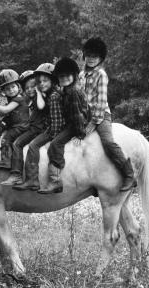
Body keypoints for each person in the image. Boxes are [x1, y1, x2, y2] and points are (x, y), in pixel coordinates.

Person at [79, 37, 136, 191]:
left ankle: (128, 174)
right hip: (84, 115)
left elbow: (101, 101)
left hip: (101, 115)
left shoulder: (101, 75)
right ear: (85, 56)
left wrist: (93, 123)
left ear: (100, 59)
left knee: (108, 142)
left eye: (95, 57)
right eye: (89, 56)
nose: (91, 59)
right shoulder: (82, 75)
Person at [38, 57, 89, 194]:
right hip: (72, 122)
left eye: (67, 76)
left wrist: (80, 134)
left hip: (76, 124)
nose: (64, 79)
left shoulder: (72, 92)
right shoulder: (67, 90)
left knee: (55, 144)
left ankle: (55, 181)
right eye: (61, 77)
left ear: (73, 76)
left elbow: (78, 115)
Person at [13, 63, 65, 191]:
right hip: (48, 128)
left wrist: (52, 135)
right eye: (39, 82)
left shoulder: (52, 96)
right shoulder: (48, 94)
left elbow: (50, 116)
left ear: (52, 81)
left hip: (51, 129)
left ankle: (32, 180)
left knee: (33, 145)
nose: (41, 84)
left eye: (45, 81)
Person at [0, 69, 49, 185]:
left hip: (38, 129)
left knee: (17, 144)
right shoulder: (28, 100)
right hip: (32, 127)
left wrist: (38, 92)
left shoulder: (40, 96)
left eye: (33, 86)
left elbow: (41, 107)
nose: (30, 90)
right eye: (27, 88)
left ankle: (16, 174)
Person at [0, 69, 31, 170]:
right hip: (16, 122)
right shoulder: (11, 99)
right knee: (1, 123)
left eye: (13, 87)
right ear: (3, 91)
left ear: (18, 86)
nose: (11, 90)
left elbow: (5, 110)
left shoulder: (18, 98)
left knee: (7, 138)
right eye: (8, 89)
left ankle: (6, 161)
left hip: (21, 126)